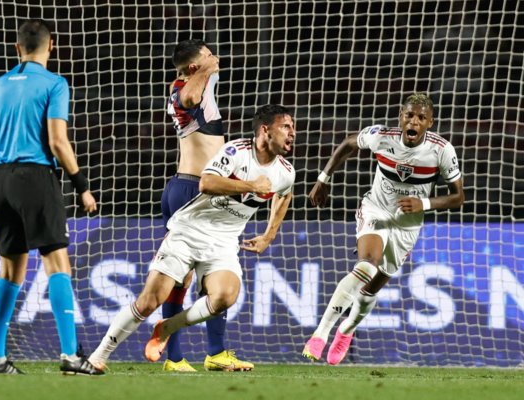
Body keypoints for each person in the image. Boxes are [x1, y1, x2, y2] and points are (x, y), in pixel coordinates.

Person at [88, 104, 296, 371]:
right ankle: (98, 355)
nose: (293, 133)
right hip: (188, 232)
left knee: (225, 296)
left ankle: (167, 328)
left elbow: (284, 194)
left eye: (293, 127)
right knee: (150, 300)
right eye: (286, 127)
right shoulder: (236, 151)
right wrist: (251, 185)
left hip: (223, 242)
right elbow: (206, 183)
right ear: (265, 130)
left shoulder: (285, 171)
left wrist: (269, 235)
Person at [0, 19, 103, 375]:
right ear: (50, 46)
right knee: (57, 263)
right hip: (37, 176)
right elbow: (58, 141)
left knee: (10, 272)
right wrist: (82, 184)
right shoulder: (55, 84)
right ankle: (71, 355)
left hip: (1, 181)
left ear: (17, 49)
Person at [302, 93, 464, 365]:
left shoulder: (441, 150)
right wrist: (323, 178)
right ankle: (321, 333)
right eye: (409, 115)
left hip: (407, 225)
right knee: (367, 265)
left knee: (372, 289)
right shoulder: (381, 137)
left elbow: (458, 196)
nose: (414, 121)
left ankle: (347, 330)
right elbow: (349, 143)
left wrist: (423, 203)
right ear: (401, 116)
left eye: (421, 118)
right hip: (376, 209)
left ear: (430, 122)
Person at [160, 39, 253, 372]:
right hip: (191, 192)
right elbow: (189, 96)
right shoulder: (183, 89)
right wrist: (205, 69)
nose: (216, 59)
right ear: (193, 67)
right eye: (209, 56)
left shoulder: (197, 84)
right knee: (180, 279)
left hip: (201, 192)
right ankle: (173, 357)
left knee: (216, 271)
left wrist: (207, 69)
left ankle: (214, 352)